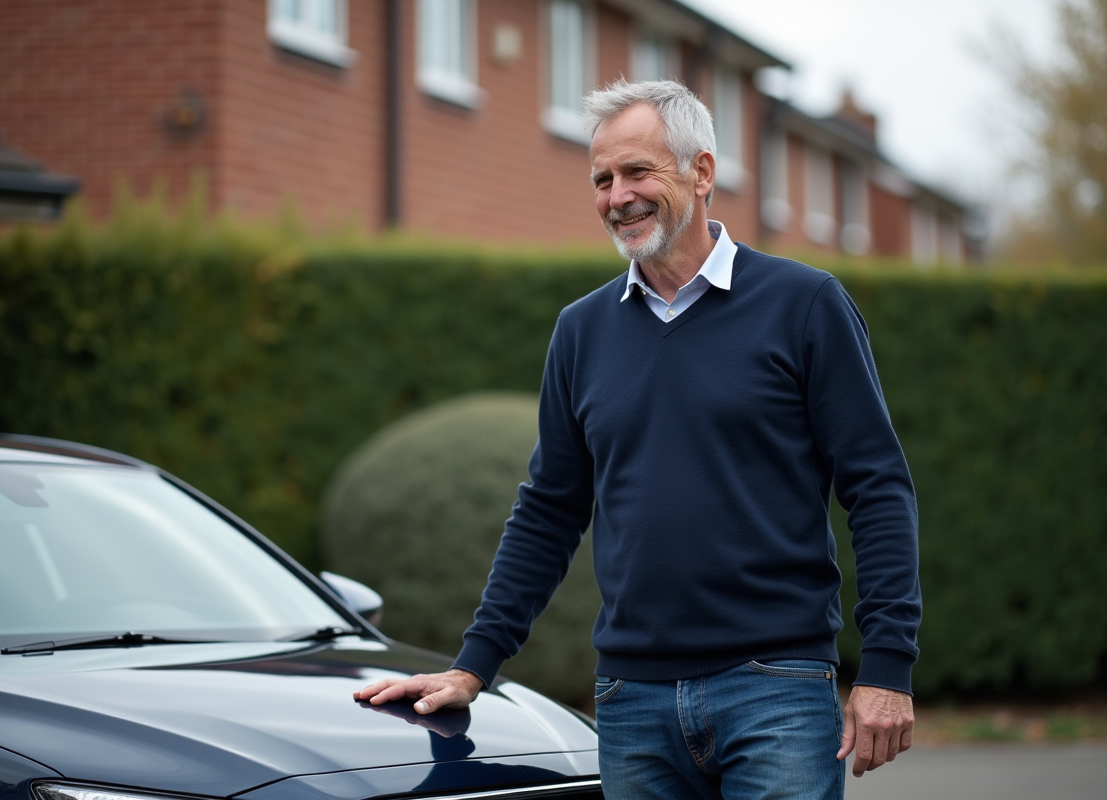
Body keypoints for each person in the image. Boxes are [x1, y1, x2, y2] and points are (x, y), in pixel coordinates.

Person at [354, 79, 921, 800]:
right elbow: (550, 509)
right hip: (633, 703)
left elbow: (878, 487)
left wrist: (887, 669)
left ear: (702, 173)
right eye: (602, 179)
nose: (617, 196)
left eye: (637, 172)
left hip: (776, 690)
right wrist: (474, 665)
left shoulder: (804, 304)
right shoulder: (581, 332)